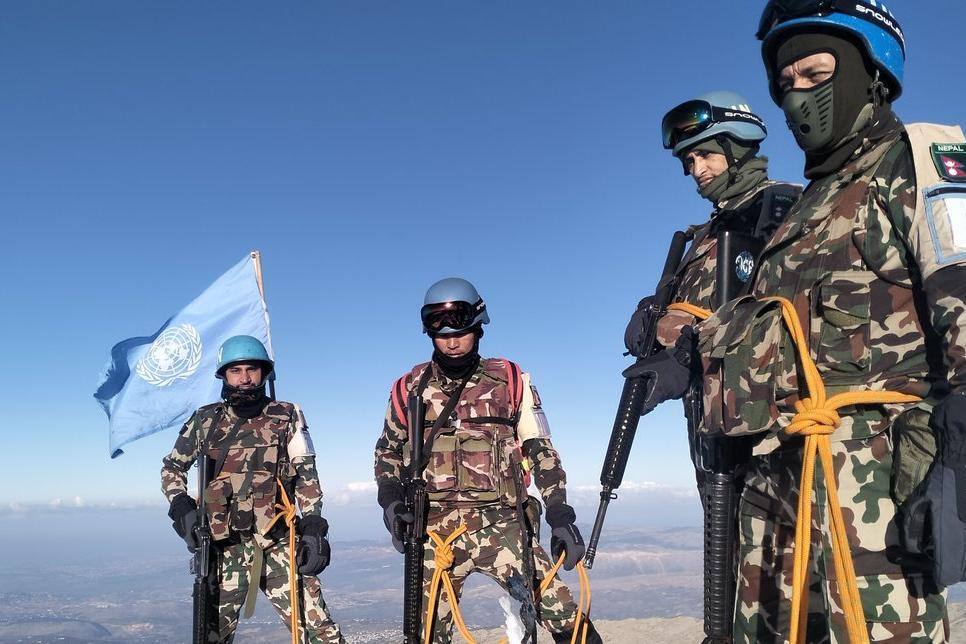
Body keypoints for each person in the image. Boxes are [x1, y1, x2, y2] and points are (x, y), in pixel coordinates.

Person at [693, 2, 966, 641]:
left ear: (871, 71)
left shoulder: (918, 157)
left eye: (815, 74)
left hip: (873, 483)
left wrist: (959, 456)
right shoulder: (798, 208)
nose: (797, 100)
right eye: (784, 85)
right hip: (778, 476)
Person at [373, 278, 601, 643]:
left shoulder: (510, 379)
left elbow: (539, 447)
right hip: (433, 530)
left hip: (504, 524)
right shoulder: (408, 388)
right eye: (440, 330)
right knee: (425, 633)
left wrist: (559, 513)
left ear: (478, 324)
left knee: (566, 620)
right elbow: (387, 450)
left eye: (460, 328)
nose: (451, 340)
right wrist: (391, 499)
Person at [625, 90, 801, 480]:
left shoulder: (784, 208)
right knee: (721, 534)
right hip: (712, 418)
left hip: (771, 423)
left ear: (737, 145)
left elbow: (785, 311)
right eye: (689, 160)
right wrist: (657, 317)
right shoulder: (704, 235)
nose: (696, 169)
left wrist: (687, 345)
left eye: (705, 154)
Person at [161, 335, 345, 643]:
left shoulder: (287, 415)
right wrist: (182, 509)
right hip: (222, 547)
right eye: (236, 371)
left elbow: (307, 476)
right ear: (224, 375)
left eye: (252, 369)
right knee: (210, 635)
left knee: (320, 632)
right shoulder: (205, 421)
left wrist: (313, 526)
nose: (245, 378)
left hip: (279, 543)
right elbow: (172, 469)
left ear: (264, 373)